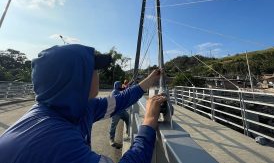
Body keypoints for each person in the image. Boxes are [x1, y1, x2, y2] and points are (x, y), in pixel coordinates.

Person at [0, 44, 166, 163]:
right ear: (76, 79)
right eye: (93, 69)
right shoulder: (58, 142)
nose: (98, 74)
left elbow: (121, 100)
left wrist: (150, 80)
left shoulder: (74, 107)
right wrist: (149, 121)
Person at [109, 81, 130, 148]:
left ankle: (128, 133)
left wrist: (126, 87)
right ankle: (111, 139)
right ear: (117, 86)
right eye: (120, 85)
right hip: (116, 113)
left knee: (128, 119)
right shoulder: (114, 92)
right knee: (113, 126)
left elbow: (123, 90)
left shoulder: (118, 90)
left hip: (122, 111)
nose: (121, 86)